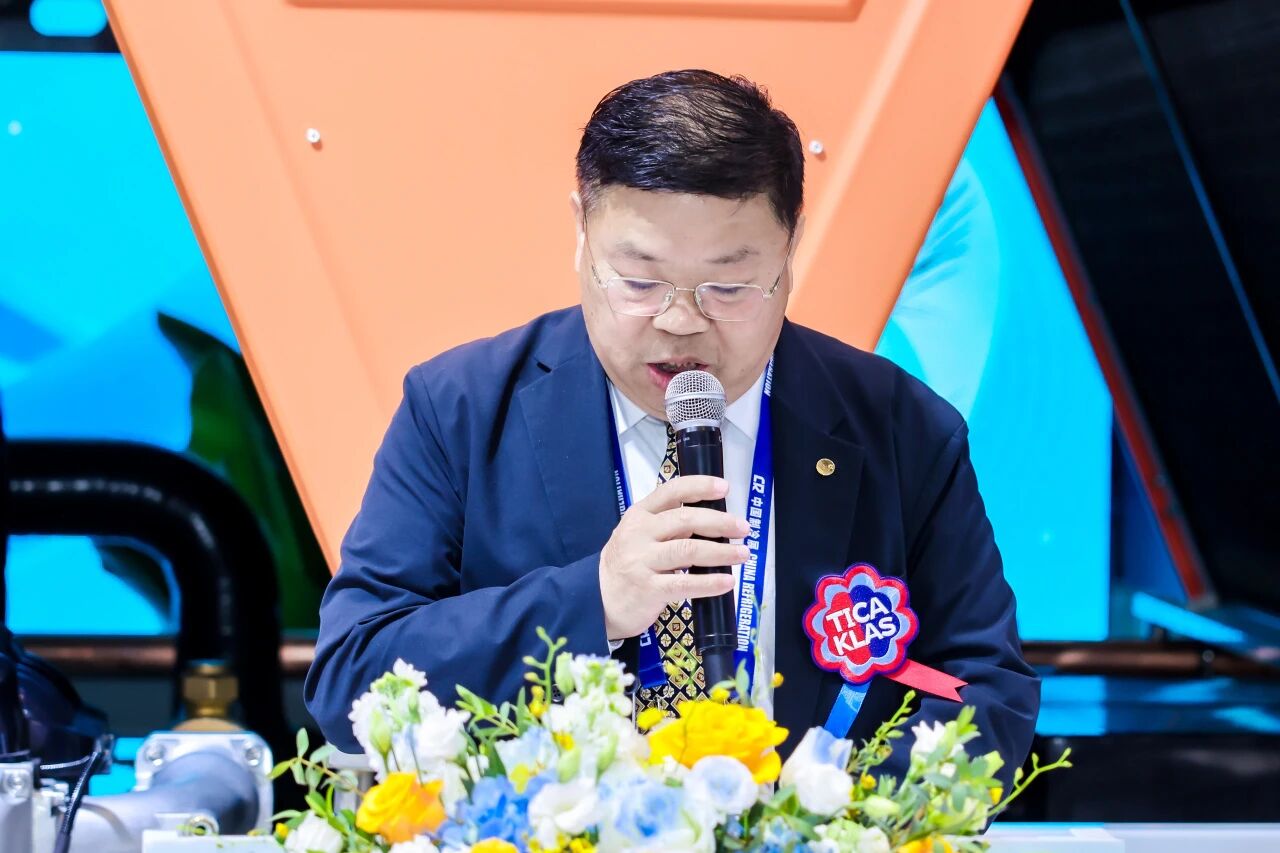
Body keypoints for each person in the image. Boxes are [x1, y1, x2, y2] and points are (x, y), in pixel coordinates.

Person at [304, 69, 1039, 786]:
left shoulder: (900, 428)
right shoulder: (460, 408)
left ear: (791, 248)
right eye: (640, 281)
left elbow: (987, 691)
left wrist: (823, 807)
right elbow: (350, 679)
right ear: (580, 233)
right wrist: (593, 600)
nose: (681, 320)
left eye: (729, 286)